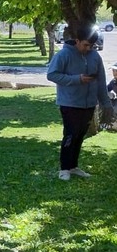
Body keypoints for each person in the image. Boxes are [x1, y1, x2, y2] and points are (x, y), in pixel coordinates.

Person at [46, 23, 114, 180]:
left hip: (89, 104)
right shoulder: (63, 55)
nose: (88, 48)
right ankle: (64, 169)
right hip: (69, 103)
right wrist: (77, 79)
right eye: (85, 45)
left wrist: (106, 104)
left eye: (91, 46)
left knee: (80, 135)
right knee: (70, 134)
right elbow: (52, 75)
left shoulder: (95, 57)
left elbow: (101, 81)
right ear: (77, 40)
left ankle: (74, 166)